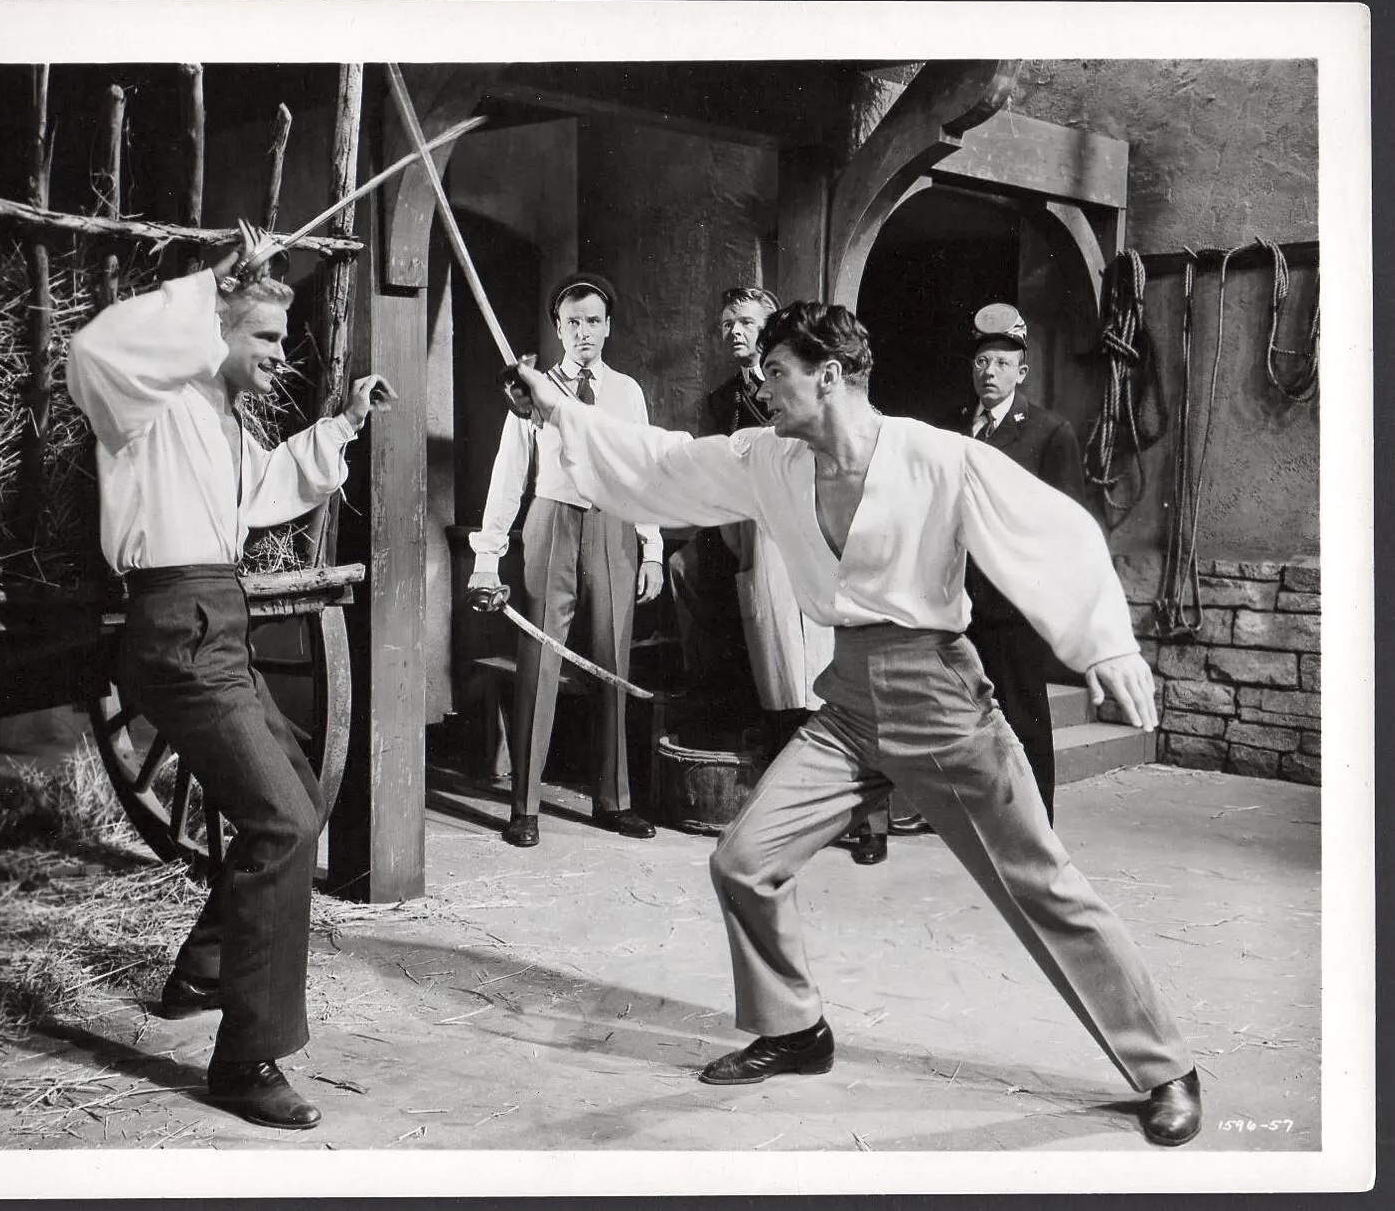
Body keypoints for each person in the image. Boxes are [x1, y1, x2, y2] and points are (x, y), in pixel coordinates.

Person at [497, 302, 1203, 1146]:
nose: (762, 389)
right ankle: (795, 1027)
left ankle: (1165, 1066)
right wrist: (558, 410)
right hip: (851, 704)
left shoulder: (935, 456)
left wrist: (1104, 646)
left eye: (777, 373)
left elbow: (1054, 532)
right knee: (744, 861)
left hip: (941, 698)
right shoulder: (769, 460)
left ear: (828, 375)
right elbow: (663, 464)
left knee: (1041, 882)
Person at [66, 229, 396, 1131]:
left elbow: (267, 487)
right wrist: (208, 284)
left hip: (219, 621)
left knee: (294, 795)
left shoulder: (220, 415)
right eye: (264, 338)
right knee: (283, 820)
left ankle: (205, 970)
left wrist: (344, 423)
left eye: (283, 340)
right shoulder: (146, 401)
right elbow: (90, 349)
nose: (279, 356)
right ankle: (245, 1059)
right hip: (176, 627)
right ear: (214, 330)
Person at [668, 288, 877, 864]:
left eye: (748, 323)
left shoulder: (808, 394)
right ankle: (792, 813)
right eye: (728, 323)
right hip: (757, 539)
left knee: (833, 670)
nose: (737, 332)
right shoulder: (722, 401)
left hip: (815, 531)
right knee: (779, 670)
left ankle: (862, 820)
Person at [466, 273, 663, 849]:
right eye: (573, 322)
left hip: (615, 525)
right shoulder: (535, 389)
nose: (584, 333)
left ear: (608, 327)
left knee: (613, 665)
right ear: (558, 329)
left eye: (593, 321)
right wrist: (487, 557)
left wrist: (650, 548)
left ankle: (614, 800)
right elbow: (508, 477)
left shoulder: (626, 391)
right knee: (540, 663)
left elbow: (642, 468)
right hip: (551, 523)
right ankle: (524, 807)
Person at [891, 303, 1087, 836]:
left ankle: (1033, 825)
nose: (989, 373)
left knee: (1021, 716)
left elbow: (1068, 525)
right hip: (953, 597)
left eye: (1002, 363)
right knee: (954, 712)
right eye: (982, 362)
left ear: (1021, 371)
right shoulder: (952, 427)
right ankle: (955, 813)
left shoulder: (1049, 432)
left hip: (1011, 602)